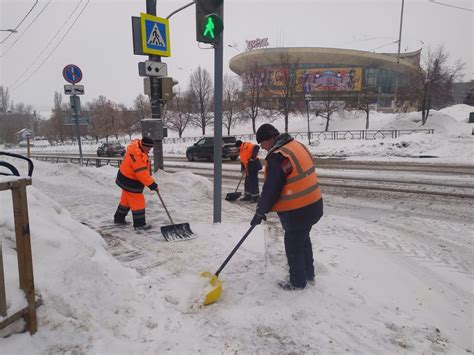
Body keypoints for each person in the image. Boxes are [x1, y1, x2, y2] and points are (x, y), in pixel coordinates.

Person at [250, 124, 324, 290]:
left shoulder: (279, 156)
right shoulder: (296, 145)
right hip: (314, 204)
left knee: (293, 244)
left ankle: (298, 282)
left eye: (262, 143)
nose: (261, 147)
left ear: (270, 138)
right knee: (303, 239)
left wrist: (260, 211)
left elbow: (272, 189)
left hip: (298, 209)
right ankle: (308, 274)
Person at [113, 136, 158, 231]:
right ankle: (139, 224)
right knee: (138, 201)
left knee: (126, 200)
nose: (150, 150)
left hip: (125, 178)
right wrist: (152, 185)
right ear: (144, 145)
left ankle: (119, 218)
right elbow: (142, 174)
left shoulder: (137, 149)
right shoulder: (137, 155)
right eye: (149, 148)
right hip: (130, 181)